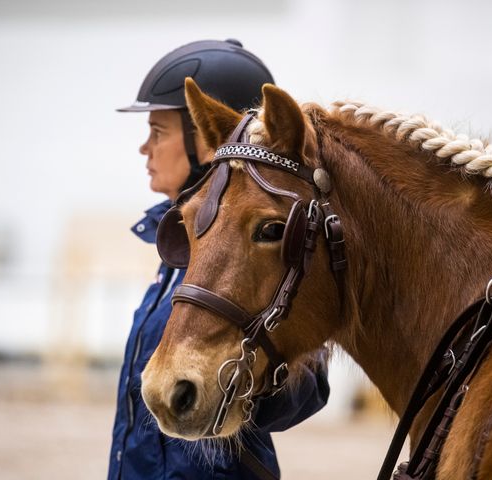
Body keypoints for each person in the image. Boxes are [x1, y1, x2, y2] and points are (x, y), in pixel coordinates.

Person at [109, 39, 330, 480]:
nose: (144, 149)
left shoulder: (256, 251)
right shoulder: (171, 246)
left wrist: (244, 378)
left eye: (158, 132)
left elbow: (308, 384)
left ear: (210, 138)